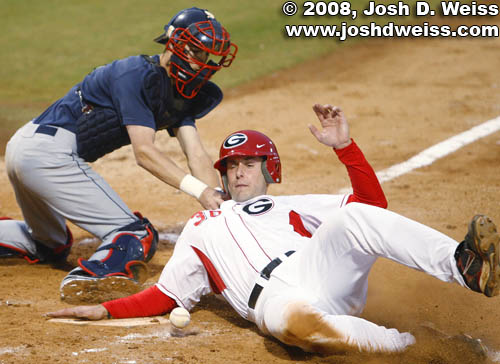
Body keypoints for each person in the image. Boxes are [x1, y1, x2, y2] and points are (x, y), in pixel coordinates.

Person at [47, 104, 500, 354]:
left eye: (250, 163)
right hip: (275, 300)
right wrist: (107, 310)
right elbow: (167, 296)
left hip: (319, 269)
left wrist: (345, 148)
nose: (239, 172)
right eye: (232, 165)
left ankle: (463, 265)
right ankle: (416, 347)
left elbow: (373, 208)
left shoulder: (295, 206)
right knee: (297, 325)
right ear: (222, 174)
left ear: (269, 169)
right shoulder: (201, 227)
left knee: (352, 215)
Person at [0, 7, 238, 301]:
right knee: (135, 234)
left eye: (206, 57)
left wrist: (219, 206)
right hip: (47, 155)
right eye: (196, 52)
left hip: (28, 150)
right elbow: (145, 152)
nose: (202, 64)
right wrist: (199, 191)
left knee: (51, 244)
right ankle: (94, 278)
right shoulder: (135, 74)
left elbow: (197, 154)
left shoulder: (178, 92)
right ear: (174, 43)